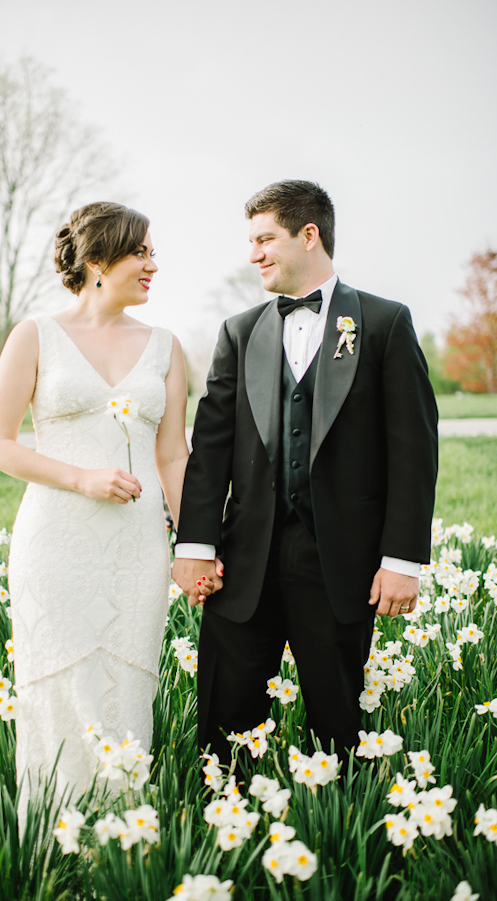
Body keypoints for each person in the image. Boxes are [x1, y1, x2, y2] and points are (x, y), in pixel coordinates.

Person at [172, 180, 438, 765]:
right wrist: (194, 543)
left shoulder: (384, 323)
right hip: (243, 564)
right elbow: (211, 447)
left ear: (308, 235)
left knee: (340, 726)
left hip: (341, 564)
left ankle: (337, 838)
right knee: (224, 728)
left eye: (265, 238)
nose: (254, 254)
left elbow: (414, 452)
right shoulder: (239, 332)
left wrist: (401, 561)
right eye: (251, 241)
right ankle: (227, 837)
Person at [0, 202, 189, 821]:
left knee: (128, 685)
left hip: (138, 548)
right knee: (57, 687)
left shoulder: (166, 347)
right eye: (142, 252)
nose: (155, 264)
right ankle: (50, 837)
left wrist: (199, 545)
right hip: (55, 545)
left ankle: (123, 840)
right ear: (98, 262)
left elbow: (174, 455)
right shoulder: (35, 335)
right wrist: (82, 478)